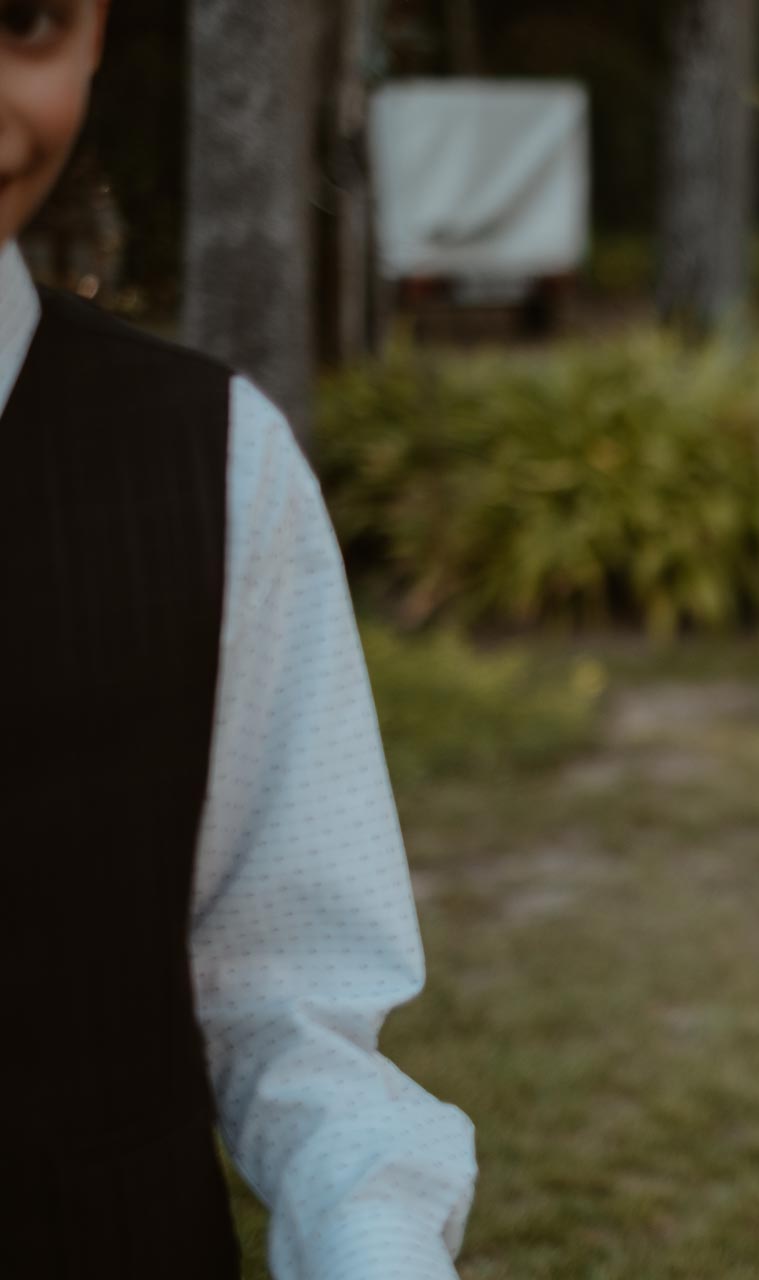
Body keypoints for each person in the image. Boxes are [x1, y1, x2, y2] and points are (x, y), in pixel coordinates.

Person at [0, 3, 476, 1275]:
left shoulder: (216, 462)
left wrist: (377, 1243)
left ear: (93, 31)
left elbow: (286, 1006)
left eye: (18, 21)